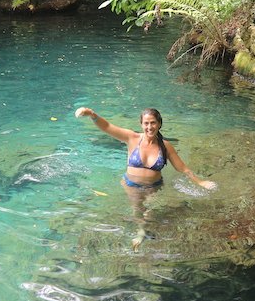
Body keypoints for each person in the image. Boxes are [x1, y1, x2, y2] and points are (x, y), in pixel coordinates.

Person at [74, 106, 216, 248]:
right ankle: (141, 232)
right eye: (146, 123)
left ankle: (145, 230)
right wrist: (91, 114)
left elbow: (182, 168)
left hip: (154, 187)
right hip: (131, 185)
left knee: (151, 212)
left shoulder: (165, 147)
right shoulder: (132, 138)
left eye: (153, 122)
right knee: (137, 210)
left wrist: (201, 182)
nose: (149, 127)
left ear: (159, 123)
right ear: (141, 124)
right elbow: (107, 127)